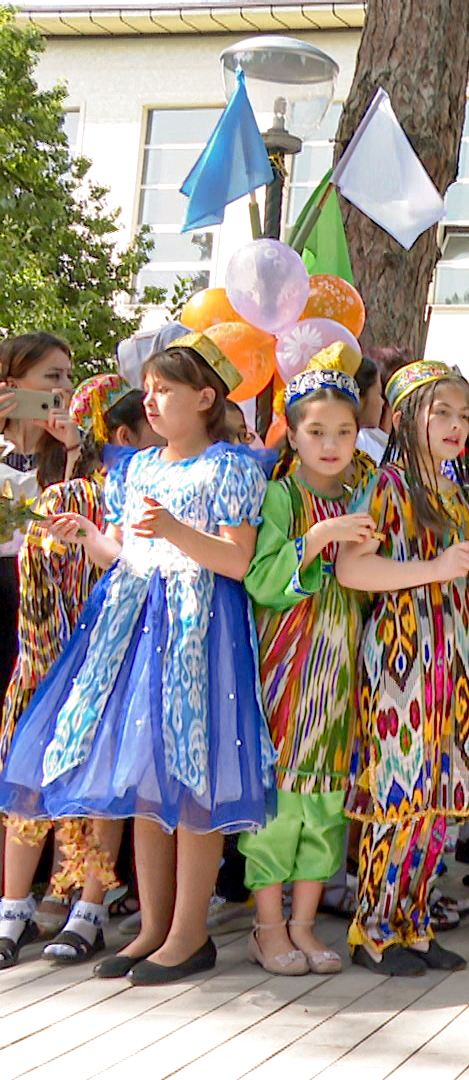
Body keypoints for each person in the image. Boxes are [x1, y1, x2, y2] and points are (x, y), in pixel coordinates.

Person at [0, 333, 273, 986]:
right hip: (135, 627)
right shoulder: (140, 467)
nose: (150, 402)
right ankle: (153, 925)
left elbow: (236, 560)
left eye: (164, 390)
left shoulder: (231, 466)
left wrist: (177, 531)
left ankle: (189, 932)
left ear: (205, 397)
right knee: (147, 784)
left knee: (193, 774)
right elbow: (123, 552)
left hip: (197, 629)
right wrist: (93, 537)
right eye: (147, 391)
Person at [335, 360, 469, 975]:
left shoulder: (460, 496)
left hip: (452, 655)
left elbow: (457, 572)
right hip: (401, 662)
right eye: (443, 413)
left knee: (436, 799)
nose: (458, 426)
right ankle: (374, 928)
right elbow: (354, 570)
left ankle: (415, 920)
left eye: (464, 415)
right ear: (406, 419)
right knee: (400, 793)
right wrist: (437, 572)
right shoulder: (389, 487)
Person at [0, 374, 156, 969]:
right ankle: (15, 905)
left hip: (99, 661)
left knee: (99, 788)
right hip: (43, 658)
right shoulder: (54, 492)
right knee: (27, 781)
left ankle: (87, 907)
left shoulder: (124, 499)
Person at [237, 354, 378, 975]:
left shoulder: (367, 498)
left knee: (325, 802)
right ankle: (267, 928)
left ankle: (304, 925)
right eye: (316, 431)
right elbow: (262, 579)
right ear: (290, 435)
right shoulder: (277, 498)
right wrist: (318, 540)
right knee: (279, 802)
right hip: (284, 674)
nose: (330, 444)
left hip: (341, 672)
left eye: (343, 432)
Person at [0, 334, 80, 689]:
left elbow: (79, 524)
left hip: (46, 595)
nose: (64, 387)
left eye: (67, 376)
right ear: (13, 385)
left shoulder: (76, 448)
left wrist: (74, 451)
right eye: (52, 376)